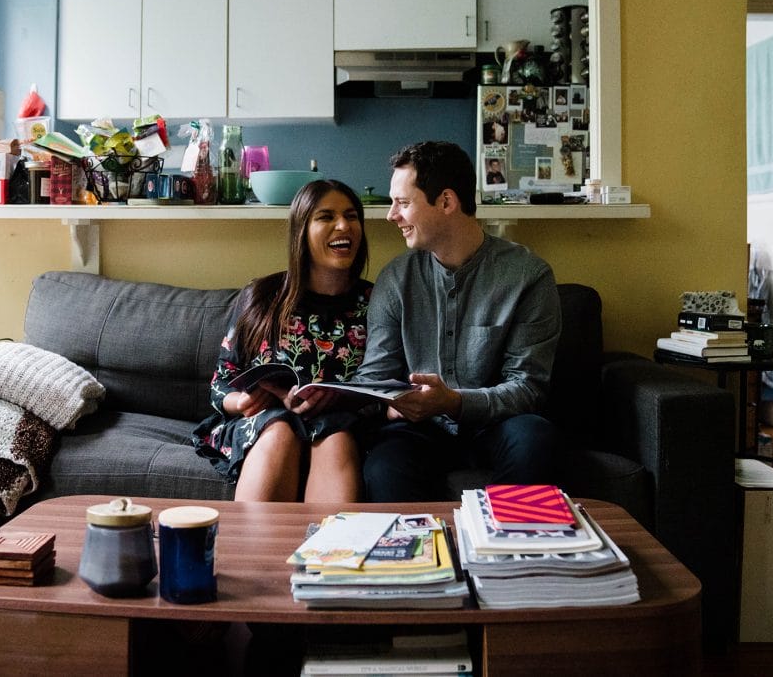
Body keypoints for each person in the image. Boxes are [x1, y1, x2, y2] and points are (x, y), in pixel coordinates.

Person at [356, 141, 560, 501]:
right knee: (384, 464)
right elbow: (376, 376)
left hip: (497, 424)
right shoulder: (395, 279)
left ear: (447, 202)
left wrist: (453, 402)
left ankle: (512, 551)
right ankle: (409, 556)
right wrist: (385, 401)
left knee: (535, 439)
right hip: (419, 428)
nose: (391, 215)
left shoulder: (528, 276)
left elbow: (528, 387)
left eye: (403, 203)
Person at [193, 180, 371, 502]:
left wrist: (341, 399)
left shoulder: (375, 301)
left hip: (340, 427)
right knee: (279, 430)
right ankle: (256, 552)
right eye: (326, 217)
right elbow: (222, 380)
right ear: (301, 230)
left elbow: (385, 384)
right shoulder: (262, 296)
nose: (343, 226)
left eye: (351, 216)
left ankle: (330, 551)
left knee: (335, 435)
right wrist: (242, 403)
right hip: (266, 424)